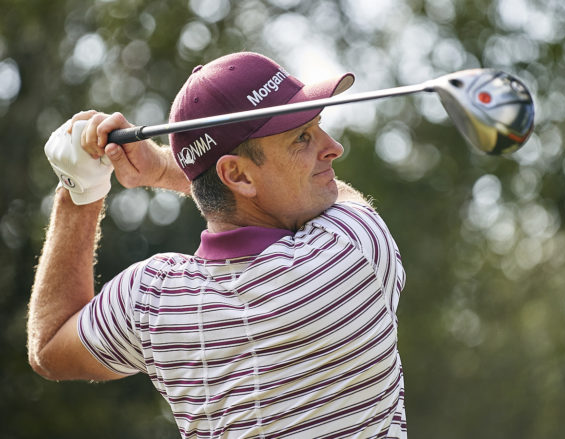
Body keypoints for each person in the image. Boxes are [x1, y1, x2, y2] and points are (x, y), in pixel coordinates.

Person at [27, 52, 407, 438]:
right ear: (237, 174)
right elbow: (333, 196)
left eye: (317, 126)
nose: (333, 147)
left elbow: (49, 346)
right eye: (303, 138)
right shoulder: (352, 250)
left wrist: (79, 187)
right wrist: (162, 168)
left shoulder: (150, 300)